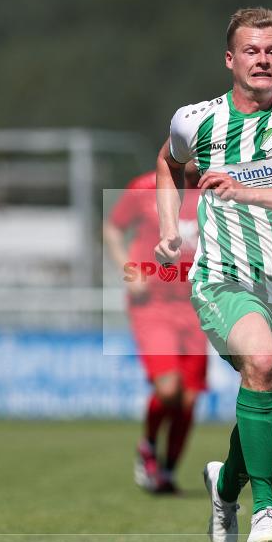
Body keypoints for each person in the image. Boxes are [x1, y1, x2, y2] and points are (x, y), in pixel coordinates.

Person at [153, 7, 272, 542]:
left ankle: (225, 483)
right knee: (260, 364)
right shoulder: (197, 120)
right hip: (224, 279)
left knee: (270, 410)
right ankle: (265, 510)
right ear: (231, 60)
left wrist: (245, 188)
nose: (264, 60)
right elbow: (168, 162)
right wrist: (170, 226)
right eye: (253, 51)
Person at [103, 166, 206, 494]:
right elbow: (112, 228)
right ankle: (148, 445)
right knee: (168, 389)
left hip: (197, 306)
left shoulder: (214, 188)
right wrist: (128, 269)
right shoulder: (146, 186)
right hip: (153, 305)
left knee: (188, 399)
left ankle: (168, 470)